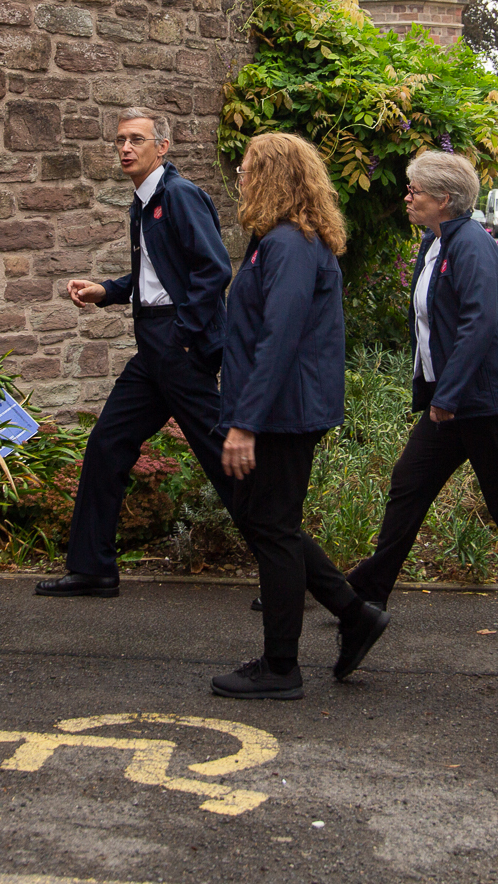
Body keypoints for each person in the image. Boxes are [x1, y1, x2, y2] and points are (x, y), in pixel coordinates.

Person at [345, 151, 498, 644]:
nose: (407, 197)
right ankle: (366, 593)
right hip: (460, 398)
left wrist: (445, 395)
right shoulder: (438, 240)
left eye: (415, 190)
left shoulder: (469, 243)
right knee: (410, 483)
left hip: (488, 398)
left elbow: (475, 325)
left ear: (444, 199)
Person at [213, 133, 386, 699]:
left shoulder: (287, 244)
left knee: (272, 529)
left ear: (272, 177)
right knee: (270, 522)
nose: (239, 177)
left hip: (283, 413)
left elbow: (278, 340)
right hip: (284, 409)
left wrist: (245, 424)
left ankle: (282, 667)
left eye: (246, 170)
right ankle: (353, 612)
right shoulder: (281, 241)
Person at [43, 108, 234, 598]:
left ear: (162, 148)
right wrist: (105, 290)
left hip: (177, 346)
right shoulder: (144, 201)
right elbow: (156, 281)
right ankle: (93, 569)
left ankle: (292, 569)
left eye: (137, 140)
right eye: (121, 141)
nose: (126, 148)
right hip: (155, 348)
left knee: (222, 457)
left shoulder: (180, 196)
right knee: (107, 445)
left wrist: (184, 337)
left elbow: (213, 270)